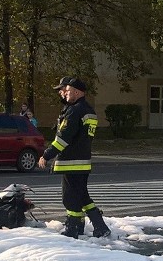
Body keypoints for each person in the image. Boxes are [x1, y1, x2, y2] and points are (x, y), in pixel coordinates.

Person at [38, 77, 110, 238]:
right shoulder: (88, 110)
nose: (63, 93)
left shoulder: (74, 111)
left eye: (67, 90)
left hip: (71, 161)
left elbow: (64, 137)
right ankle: (100, 226)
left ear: (77, 92)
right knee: (82, 195)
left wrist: (46, 155)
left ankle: (73, 228)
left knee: (70, 198)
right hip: (82, 160)